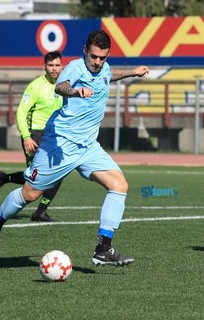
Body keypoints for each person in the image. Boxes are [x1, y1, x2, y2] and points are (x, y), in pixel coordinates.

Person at [0, 30, 149, 267]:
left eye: (102, 57)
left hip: (88, 147)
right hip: (60, 144)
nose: (97, 62)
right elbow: (61, 86)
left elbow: (109, 75)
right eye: (94, 57)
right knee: (30, 194)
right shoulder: (76, 67)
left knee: (119, 185)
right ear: (84, 50)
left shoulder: (104, 68)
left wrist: (133, 71)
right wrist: (75, 91)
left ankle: (103, 249)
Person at [0, 50, 63, 222]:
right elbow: (21, 112)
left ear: (61, 66)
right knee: (36, 176)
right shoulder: (36, 86)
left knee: (59, 172)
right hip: (34, 134)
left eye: (57, 65)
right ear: (44, 67)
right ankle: (7, 180)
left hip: (53, 136)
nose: (54, 69)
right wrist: (26, 137)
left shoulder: (64, 87)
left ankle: (40, 212)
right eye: (51, 65)